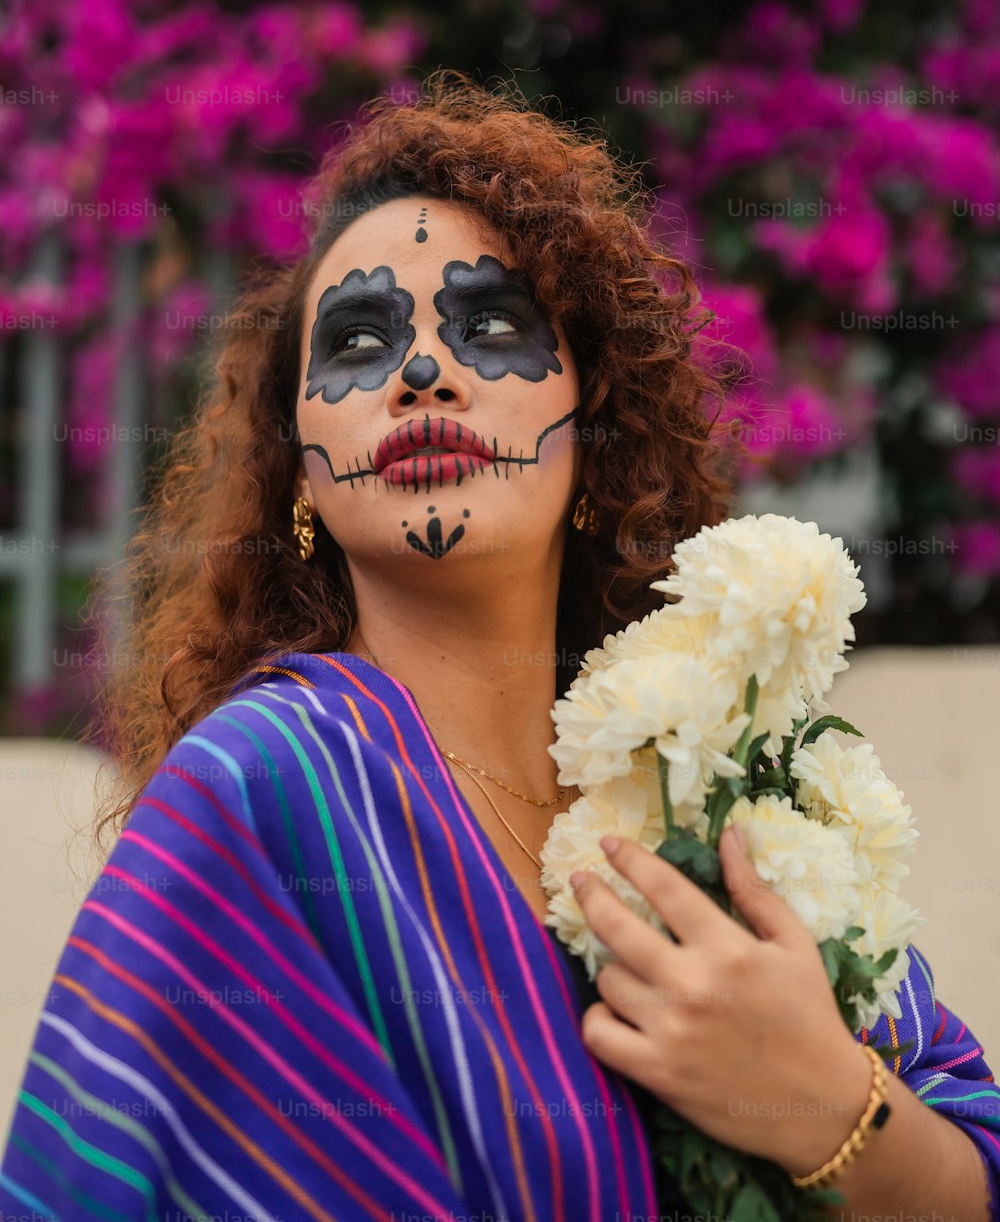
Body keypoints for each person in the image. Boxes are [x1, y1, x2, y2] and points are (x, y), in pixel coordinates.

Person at [2, 72, 998, 1221]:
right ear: (302, 477)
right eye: (361, 342)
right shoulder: (261, 796)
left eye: (489, 325)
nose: (425, 372)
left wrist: (827, 1105)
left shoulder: (711, 775)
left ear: (592, 432)